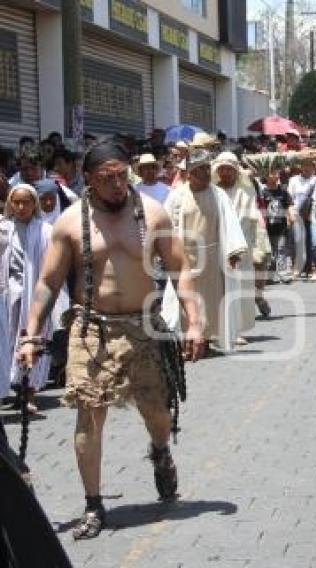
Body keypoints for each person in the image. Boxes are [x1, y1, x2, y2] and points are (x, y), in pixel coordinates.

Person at [16, 141, 206, 540]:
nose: (118, 185)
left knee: (157, 413)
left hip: (144, 328)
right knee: (88, 414)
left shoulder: (152, 215)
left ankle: (160, 451)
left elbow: (180, 268)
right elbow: (48, 282)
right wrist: (32, 332)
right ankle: (93, 504)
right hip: (91, 330)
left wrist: (194, 322)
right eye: (108, 178)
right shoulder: (70, 222)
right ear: (89, 179)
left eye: (123, 176)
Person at [163, 150, 248, 352]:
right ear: (189, 173)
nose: (205, 173)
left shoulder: (219, 196)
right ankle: (186, 340)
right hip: (184, 259)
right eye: (199, 169)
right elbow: (165, 224)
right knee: (184, 299)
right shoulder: (177, 196)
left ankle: (206, 340)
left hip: (211, 259)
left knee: (210, 301)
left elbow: (230, 224)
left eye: (206, 169)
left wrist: (233, 252)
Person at [0, 184, 65, 414]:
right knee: (9, 343)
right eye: (16, 202)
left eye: (25, 202)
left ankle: (30, 393)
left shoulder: (46, 231)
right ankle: (15, 389)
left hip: (35, 296)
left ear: (33, 204)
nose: (20, 207)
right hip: (9, 297)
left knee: (34, 340)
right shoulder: (5, 230)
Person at [212, 151, 272, 321]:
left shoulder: (245, 191)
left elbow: (247, 220)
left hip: (241, 245)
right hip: (217, 244)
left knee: (240, 284)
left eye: (229, 169)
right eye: (221, 169)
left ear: (235, 171)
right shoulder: (212, 191)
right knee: (220, 287)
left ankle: (237, 327)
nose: (225, 173)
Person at [261, 168, 295, 283]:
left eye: (277, 173)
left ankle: (283, 273)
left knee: (281, 250)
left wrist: (291, 216)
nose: (276, 175)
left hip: (281, 226)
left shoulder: (283, 191)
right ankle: (270, 275)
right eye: (273, 173)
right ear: (266, 176)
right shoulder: (262, 192)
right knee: (269, 252)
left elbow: (289, 204)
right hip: (267, 227)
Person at [288, 155, 316, 277]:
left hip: (312, 214)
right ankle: (297, 265)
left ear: (313, 168)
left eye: (309, 166)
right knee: (297, 240)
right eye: (305, 165)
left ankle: (309, 266)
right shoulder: (294, 180)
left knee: (311, 241)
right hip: (297, 213)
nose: (307, 168)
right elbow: (290, 197)